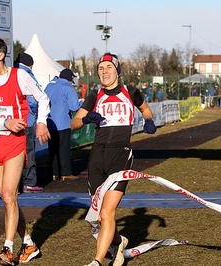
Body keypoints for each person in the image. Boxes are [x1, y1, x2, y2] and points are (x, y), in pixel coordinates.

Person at [71, 53, 157, 266]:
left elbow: (146, 109)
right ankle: (118, 243)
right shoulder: (95, 94)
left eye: (108, 67)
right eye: (101, 68)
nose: (104, 72)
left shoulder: (130, 92)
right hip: (97, 157)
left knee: (108, 212)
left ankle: (97, 261)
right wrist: (86, 118)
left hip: (121, 155)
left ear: (117, 70)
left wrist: (149, 121)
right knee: (101, 216)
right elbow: (74, 123)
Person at [0, 37, 50, 265]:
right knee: (8, 201)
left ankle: (7, 249)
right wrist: (5, 122)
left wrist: (41, 122)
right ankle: (28, 242)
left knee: (8, 195)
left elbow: (43, 97)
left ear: (0, 55)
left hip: (15, 142)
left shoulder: (20, 76)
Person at [44, 69, 83, 181]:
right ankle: (66, 173)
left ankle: (54, 173)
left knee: (53, 150)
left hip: (50, 122)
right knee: (64, 149)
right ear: (70, 78)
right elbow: (74, 106)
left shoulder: (49, 86)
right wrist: (82, 103)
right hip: (63, 123)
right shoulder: (68, 88)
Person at [13, 52, 44, 193]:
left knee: (13, 153)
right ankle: (29, 182)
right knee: (28, 152)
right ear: (30, 65)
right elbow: (34, 99)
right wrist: (37, 114)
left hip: (11, 121)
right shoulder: (27, 75)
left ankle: (15, 183)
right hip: (27, 120)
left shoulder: (9, 72)